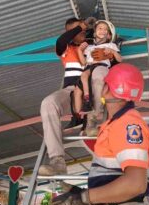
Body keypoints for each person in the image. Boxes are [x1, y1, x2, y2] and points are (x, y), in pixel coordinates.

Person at [37, 63, 149, 205]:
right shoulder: (114, 124)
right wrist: (82, 192)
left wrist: (84, 198)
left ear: (108, 89)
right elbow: (114, 176)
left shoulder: (128, 125)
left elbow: (135, 184)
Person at [39, 17, 112, 176]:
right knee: (48, 103)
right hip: (70, 90)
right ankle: (57, 161)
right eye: (77, 30)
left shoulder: (94, 47)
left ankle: (92, 122)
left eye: (84, 30)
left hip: (92, 90)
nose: (82, 32)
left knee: (99, 83)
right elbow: (61, 39)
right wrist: (82, 25)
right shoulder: (66, 49)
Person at [69, 20, 122, 120]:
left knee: (97, 79)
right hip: (89, 67)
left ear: (109, 35)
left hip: (101, 66)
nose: (102, 31)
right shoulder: (89, 47)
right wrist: (80, 50)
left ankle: (96, 111)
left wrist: (112, 51)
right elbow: (83, 63)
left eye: (105, 29)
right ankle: (81, 110)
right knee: (80, 82)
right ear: (94, 32)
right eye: (100, 28)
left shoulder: (111, 45)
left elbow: (119, 59)